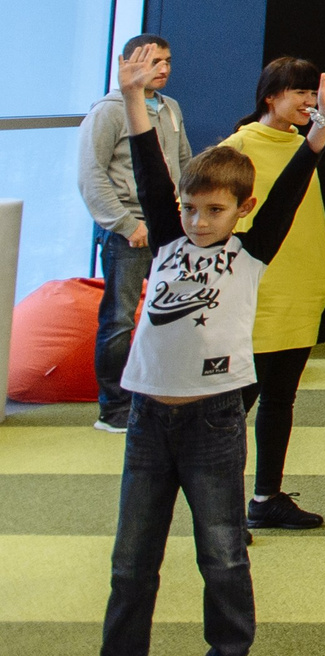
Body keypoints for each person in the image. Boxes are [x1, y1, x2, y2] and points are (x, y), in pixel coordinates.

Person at [81, 48, 325, 656]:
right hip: (149, 424)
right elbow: (147, 161)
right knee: (131, 560)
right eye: (190, 207)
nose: (199, 220)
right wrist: (133, 96)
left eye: (213, 209)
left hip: (212, 426)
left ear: (243, 209)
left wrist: (322, 122)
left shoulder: (251, 252)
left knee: (223, 553)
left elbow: (294, 184)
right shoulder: (171, 242)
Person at [224, 58, 325, 531]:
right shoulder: (239, 146)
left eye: (313, 94)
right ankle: (223, 511)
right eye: (300, 93)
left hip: (303, 287)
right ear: (270, 95)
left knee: (281, 399)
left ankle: (266, 497)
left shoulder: (303, 143)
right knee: (235, 408)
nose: (309, 102)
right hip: (259, 292)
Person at [77, 33, 191, 435]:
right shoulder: (108, 111)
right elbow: (91, 175)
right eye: (153, 61)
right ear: (127, 63)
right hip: (128, 232)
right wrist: (127, 225)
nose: (163, 68)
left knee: (174, 315)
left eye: (167, 60)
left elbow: (184, 165)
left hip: (170, 229)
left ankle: (162, 397)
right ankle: (114, 410)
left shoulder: (170, 107)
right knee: (119, 320)